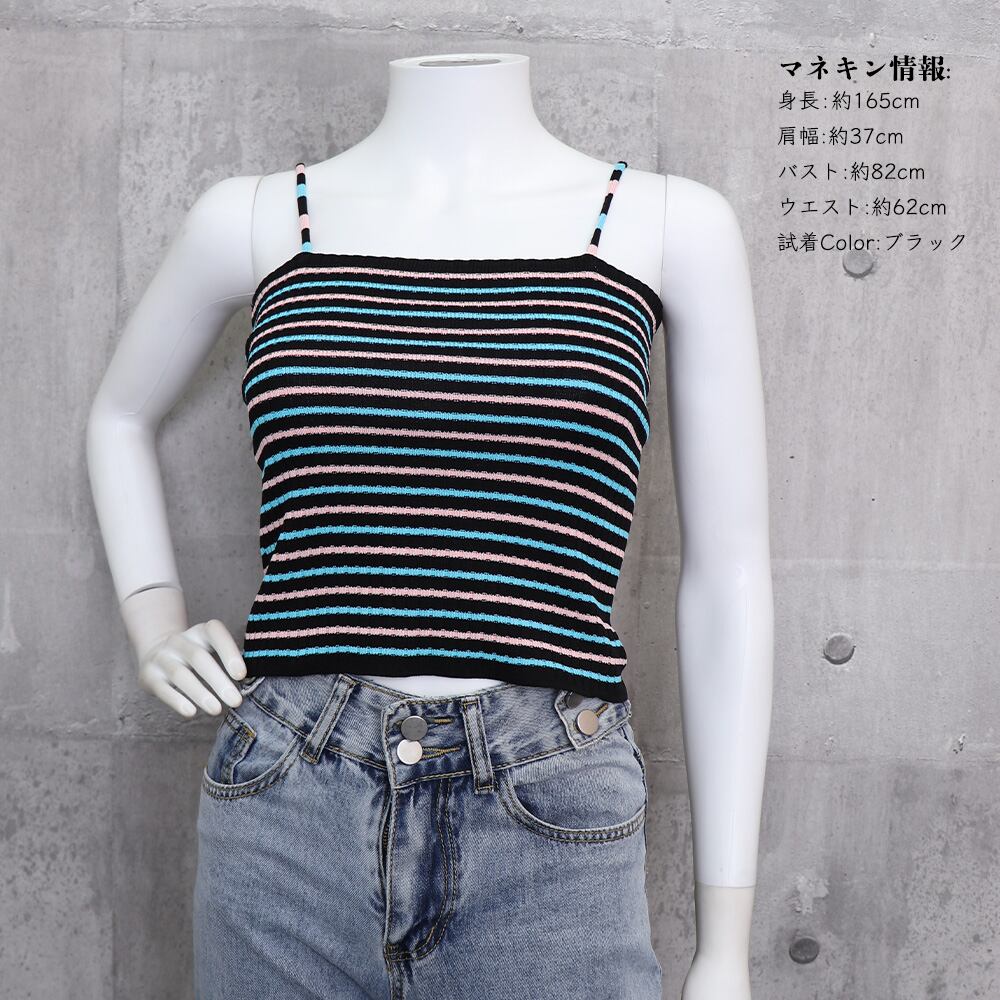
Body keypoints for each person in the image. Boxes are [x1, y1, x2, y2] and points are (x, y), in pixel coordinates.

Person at [87, 51, 771, 1000]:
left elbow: (730, 575)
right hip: (289, 791)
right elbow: (118, 416)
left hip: (548, 802)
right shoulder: (257, 217)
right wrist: (154, 620)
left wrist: (724, 949)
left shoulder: (664, 223)